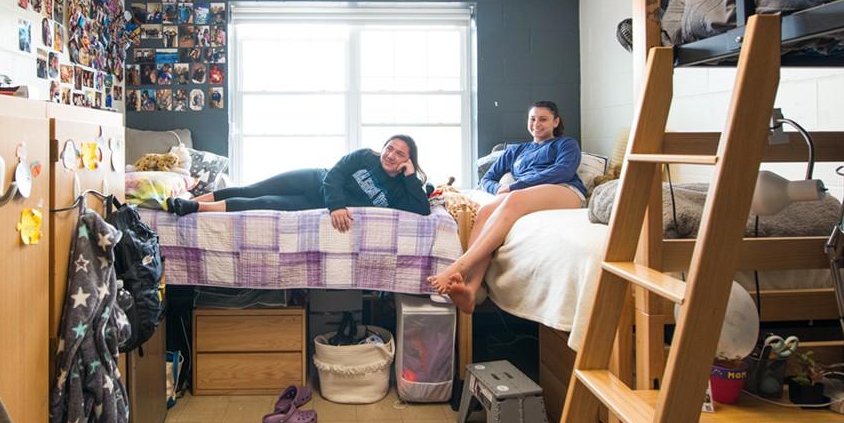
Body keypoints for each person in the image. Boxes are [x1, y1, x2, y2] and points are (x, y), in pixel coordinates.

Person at [428, 101, 585, 312]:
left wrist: (514, 186)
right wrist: (498, 189)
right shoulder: (517, 150)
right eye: (533, 119)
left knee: (514, 199)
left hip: (563, 190)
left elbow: (563, 171)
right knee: (485, 212)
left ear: (556, 122)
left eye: (543, 119)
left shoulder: (565, 144)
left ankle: (461, 266)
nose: (536, 124)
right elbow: (488, 178)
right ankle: (472, 291)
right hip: (525, 194)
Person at [167, 135, 431, 232]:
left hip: (311, 204)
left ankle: (192, 209)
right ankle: (190, 201)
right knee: (254, 189)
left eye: (399, 154)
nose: (390, 155)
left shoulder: (400, 189)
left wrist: (409, 177)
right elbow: (335, 174)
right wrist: (337, 206)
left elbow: (421, 210)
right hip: (314, 179)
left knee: (262, 203)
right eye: (389, 148)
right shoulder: (365, 156)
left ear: (408, 161)